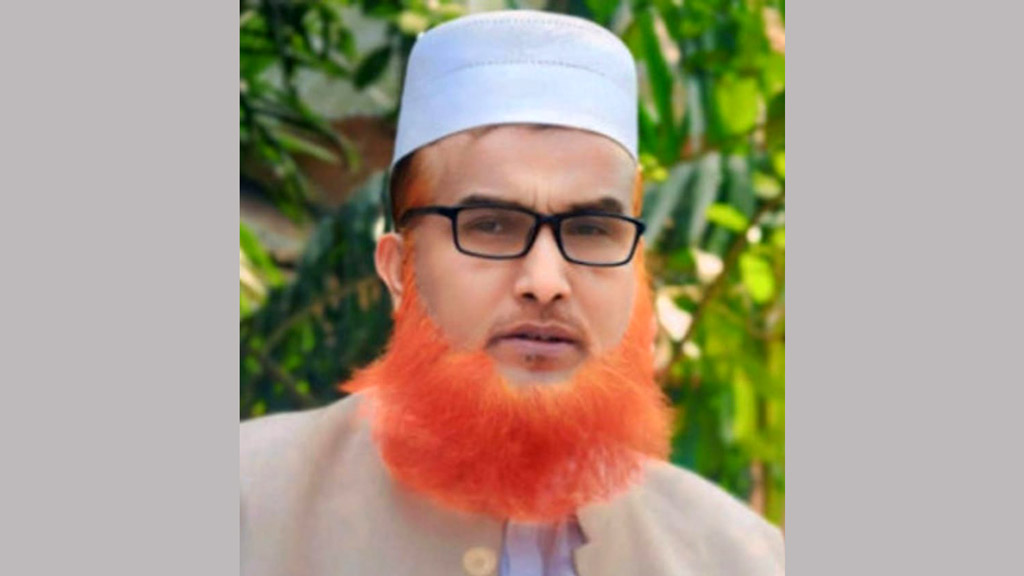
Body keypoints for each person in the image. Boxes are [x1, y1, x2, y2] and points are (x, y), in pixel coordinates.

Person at [240, 9, 784, 576]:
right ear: (400, 269)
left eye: (590, 230)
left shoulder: (740, 557)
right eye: (491, 226)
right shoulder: (247, 504)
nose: (545, 284)